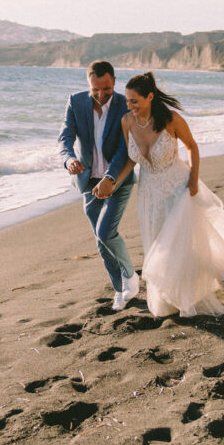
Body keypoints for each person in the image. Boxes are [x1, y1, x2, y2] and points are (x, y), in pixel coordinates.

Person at [109, 72, 224, 317]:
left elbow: (192, 146)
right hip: (149, 193)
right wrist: (113, 182)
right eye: (127, 101)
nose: (130, 106)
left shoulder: (170, 119)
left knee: (182, 243)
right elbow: (129, 160)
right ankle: (173, 295)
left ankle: (202, 286)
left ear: (149, 97)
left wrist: (194, 179)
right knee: (159, 245)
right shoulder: (127, 122)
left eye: (135, 101)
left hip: (178, 186)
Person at [58, 60, 139, 311]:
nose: (101, 95)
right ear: (88, 84)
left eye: (106, 89)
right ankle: (119, 290)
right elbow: (65, 138)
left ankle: (131, 276)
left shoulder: (124, 106)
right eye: (95, 90)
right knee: (100, 242)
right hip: (87, 182)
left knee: (105, 233)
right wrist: (70, 159)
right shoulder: (75, 101)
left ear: (114, 82)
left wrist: (110, 178)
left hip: (118, 181)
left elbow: (124, 149)